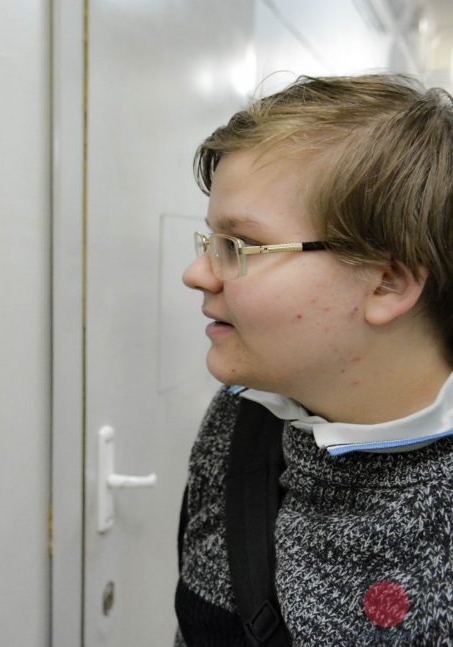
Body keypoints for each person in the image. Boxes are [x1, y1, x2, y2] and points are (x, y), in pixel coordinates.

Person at [174, 73, 453, 646]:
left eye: (239, 247)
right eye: (210, 243)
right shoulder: (243, 416)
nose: (197, 274)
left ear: (386, 282)